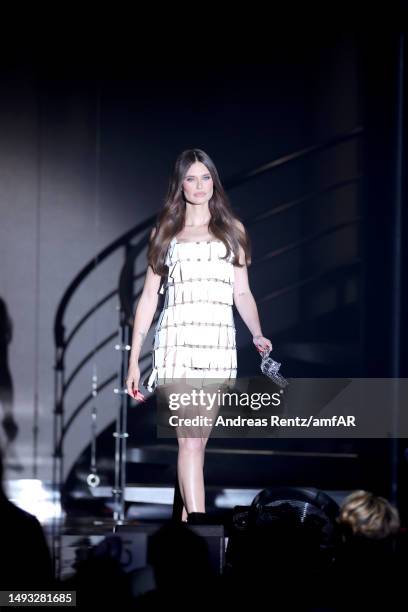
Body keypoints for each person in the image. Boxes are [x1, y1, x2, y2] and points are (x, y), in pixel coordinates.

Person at [125, 149, 272, 523]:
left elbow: (242, 292)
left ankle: (187, 533)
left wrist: (257, 333)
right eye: (191, 178)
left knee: (197, 445)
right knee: (189, 441)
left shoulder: (232, 231)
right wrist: (133, 360)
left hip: (217, 345)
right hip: (177, 345)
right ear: (180, 184)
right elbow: (147, 299)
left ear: (214, 182)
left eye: (205, 177)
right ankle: (203, 528)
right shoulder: (165, 234)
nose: (199, 185)